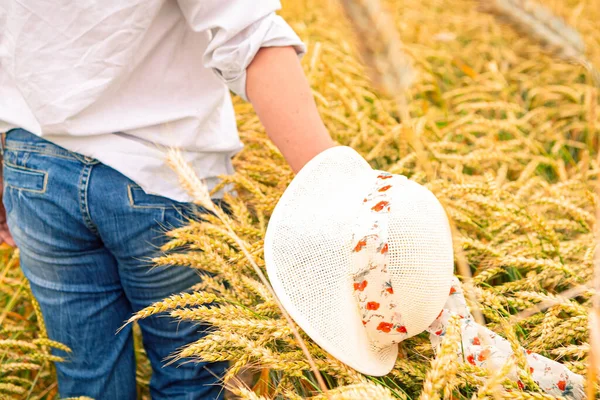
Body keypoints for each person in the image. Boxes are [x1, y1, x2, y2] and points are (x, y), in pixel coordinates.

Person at [0, 1, 334, 399]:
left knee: (86, 376)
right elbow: (250, 35)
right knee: (189, 377)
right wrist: (335, 193)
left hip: (34, 170)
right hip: (164, 175)